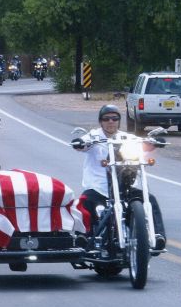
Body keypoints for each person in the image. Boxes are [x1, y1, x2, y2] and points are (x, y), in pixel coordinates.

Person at [71, 104, 166, 246]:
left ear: (119, 121)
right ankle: (84, 237)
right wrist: (80, 143)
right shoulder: (94, 136)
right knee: (86, 202)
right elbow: (83, 145)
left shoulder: (126, 137)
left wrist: (154, 143)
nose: (111, 122)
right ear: (101, 121)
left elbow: (143, 145)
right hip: (99, 188)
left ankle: (158, 236)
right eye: (106, 118)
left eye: (114, 118)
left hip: (125, 187)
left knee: (150, 199)